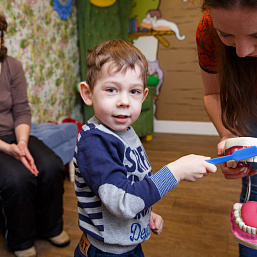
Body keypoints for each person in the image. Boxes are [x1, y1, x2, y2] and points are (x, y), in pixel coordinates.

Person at [73, 39, 217, 257]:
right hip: (106, 252)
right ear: (88, 93)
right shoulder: (95, 144)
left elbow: (128, 185)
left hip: (128, 246)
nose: (124, 101)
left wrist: (144, 213)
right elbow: (123, 201)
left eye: (134, 91)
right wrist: (176, 171)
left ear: (144, 96)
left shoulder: (126, 132)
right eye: (112, 89)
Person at [0, 14, 70, 257]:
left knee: (51, 165)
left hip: (14, 134)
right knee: (17, 179)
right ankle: (20, 240)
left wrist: (20, 143)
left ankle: (50, 227)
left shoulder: (12, 66)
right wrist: (7, 149)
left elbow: (21, 110)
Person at [196, 0, 257, 255]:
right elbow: (213, 94)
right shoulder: (207, 29)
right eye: (226, 35)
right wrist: (229, 133)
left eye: (256, 36)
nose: (241, 52)